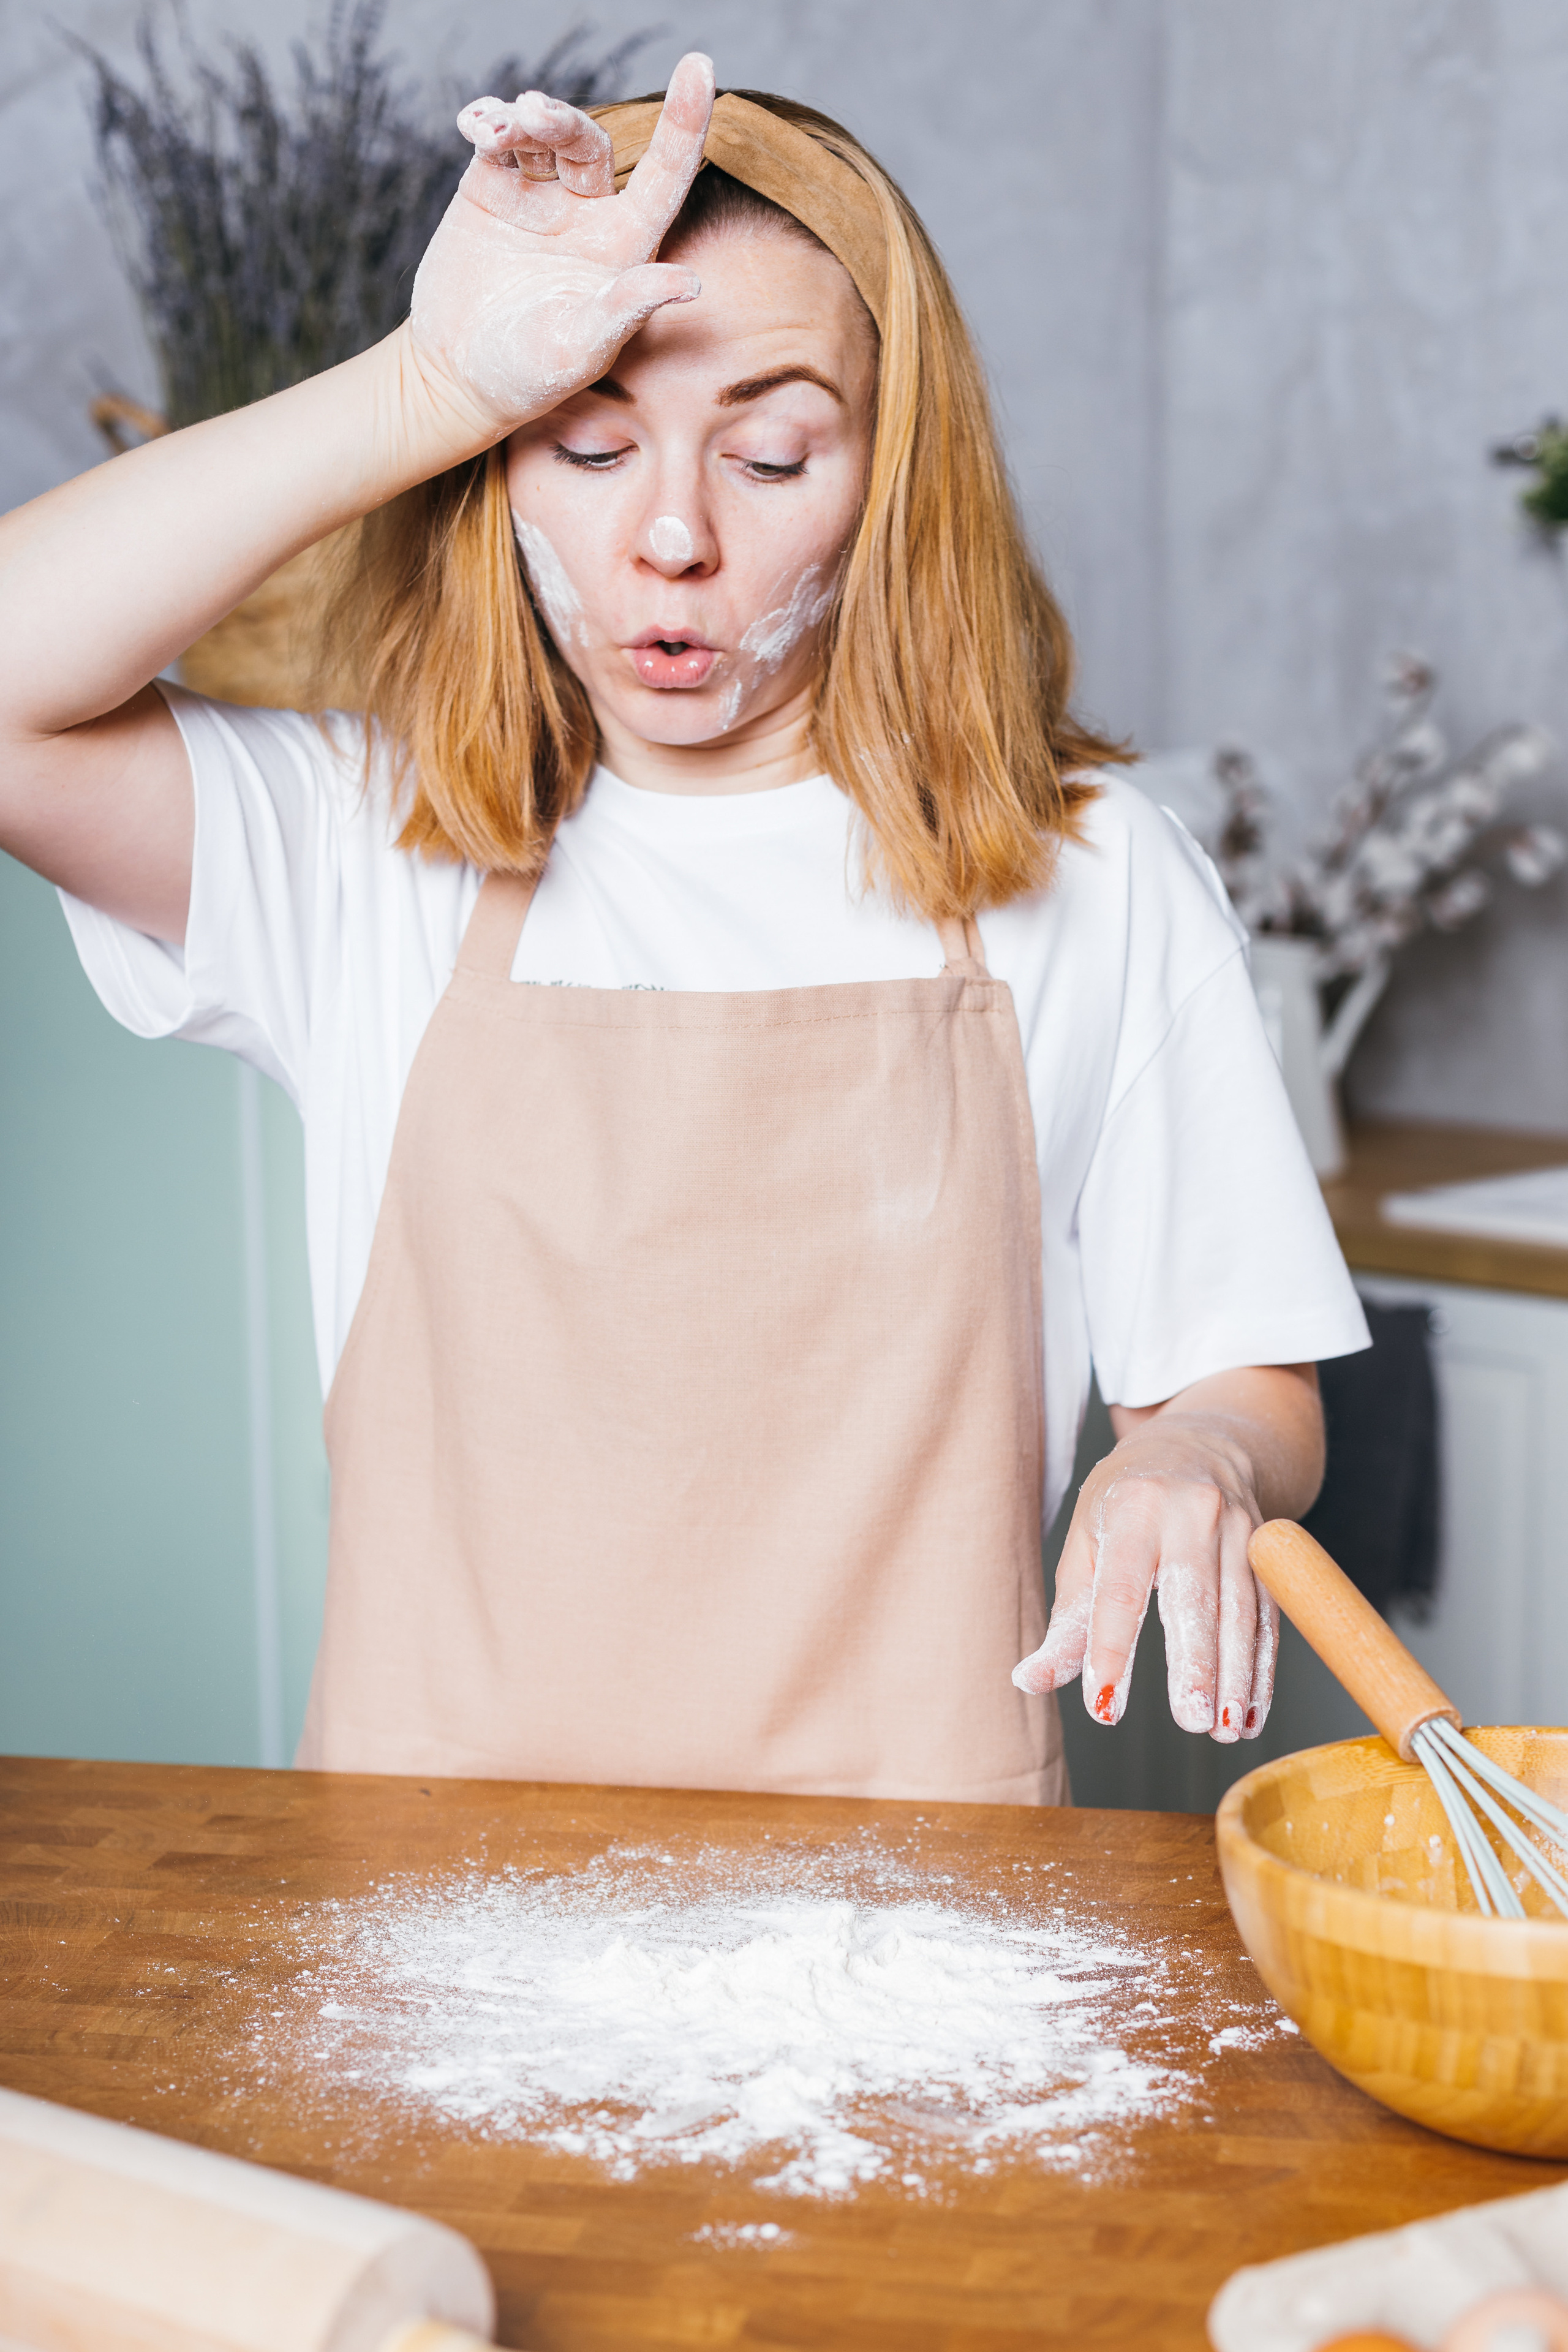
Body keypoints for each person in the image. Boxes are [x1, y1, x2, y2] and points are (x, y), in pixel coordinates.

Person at [0, 58, 1366, 1801]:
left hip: (925, 1935)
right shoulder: (365, 850)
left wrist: (1200, 1466)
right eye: (586, 441)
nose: (671, 534)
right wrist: (427, 377)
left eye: (775, 451)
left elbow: (1244, 1385)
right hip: (429, 1939)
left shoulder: (1091, 873)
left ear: (890, 478)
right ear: (500, 470)